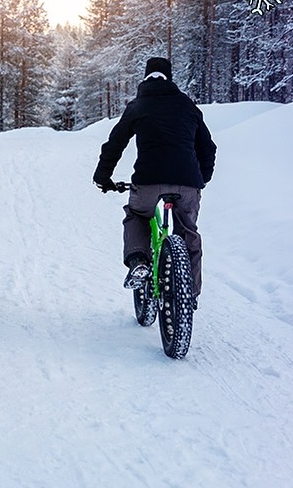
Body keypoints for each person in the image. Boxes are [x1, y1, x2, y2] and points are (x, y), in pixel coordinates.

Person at [92, 57, 216, 310]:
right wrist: (200, 179)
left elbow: (115, 144)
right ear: (169, 78)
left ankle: (138, 261)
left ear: (145, 78)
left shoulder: (138, 106)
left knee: (137, 215)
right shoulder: (187, 106)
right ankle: (189, 294)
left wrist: (102, 177)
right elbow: (208, 147)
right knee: (188, 232)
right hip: (187, 184)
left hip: (148, 182)